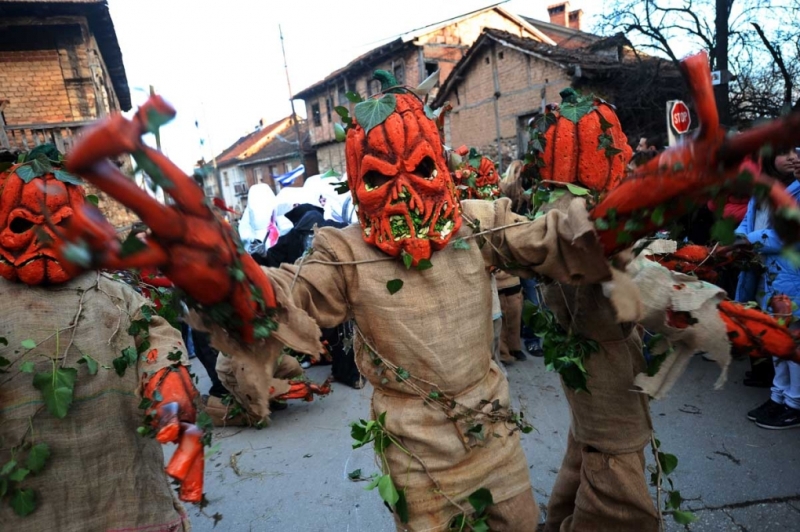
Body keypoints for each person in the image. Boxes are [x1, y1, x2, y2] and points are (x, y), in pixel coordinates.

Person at [0, 147, 200, 530]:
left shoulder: (112, 293)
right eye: (23, 225)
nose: (46, 239)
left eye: (63, 224)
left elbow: (156, 334)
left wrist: (167, 380)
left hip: (126, 488)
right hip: (33, 504)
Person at [739, 147, 800, 429]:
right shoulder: (763, 190)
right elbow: (749, 221)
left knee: (792, 343)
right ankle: (778, 396)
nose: (792, 157)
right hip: (770, 278)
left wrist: (748, 240)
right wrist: (739, 237)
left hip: (793, 279)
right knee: (776, 341)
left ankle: (795, 403)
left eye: (795, 151)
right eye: (783, 152)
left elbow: (787, 233)